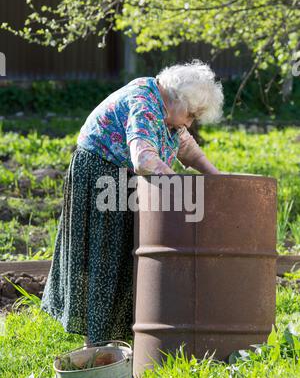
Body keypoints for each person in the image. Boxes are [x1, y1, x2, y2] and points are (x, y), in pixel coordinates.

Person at [40, 59, 224, 347]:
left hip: (122, 178)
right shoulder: (144, 103)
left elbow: (187, 149)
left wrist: (219, 179)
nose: (189, 123)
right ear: (176, 100)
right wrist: (178, 185)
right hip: (100, 175)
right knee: (105, 257)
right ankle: (96, 345)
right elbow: (144, 159)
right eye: (190, 115)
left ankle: (119, 341)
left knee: (128, 255)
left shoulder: (168, 109)